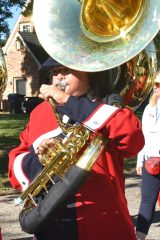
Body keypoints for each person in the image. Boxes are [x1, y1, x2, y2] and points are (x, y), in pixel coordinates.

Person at [8, 65, 144, 240]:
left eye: (66, 70)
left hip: (102, 223)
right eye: (54, 72)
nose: (59, 77)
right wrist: (38, 159)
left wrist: (67, 101)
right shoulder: (39, 113)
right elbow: (15, 164)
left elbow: (133, 140)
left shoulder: (106, 106)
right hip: (53, 223)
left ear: (88, 72)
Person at [136, 71, 160, 240]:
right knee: (147, 202)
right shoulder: (149, 108)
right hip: (151, 162)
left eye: (159, 84)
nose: (156, 87)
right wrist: (139, 159)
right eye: (156, 84)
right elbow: (142, 136)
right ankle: (139, 238)